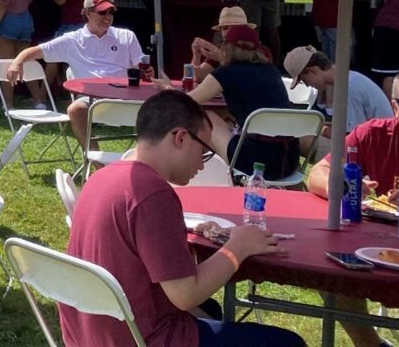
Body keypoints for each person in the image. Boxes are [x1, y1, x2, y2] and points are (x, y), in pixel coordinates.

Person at [60, 88, 305, 347]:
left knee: (210, 310)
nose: (202, 163)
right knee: (289, 343)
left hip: (87, 335)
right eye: (205, 151)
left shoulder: (100, 178)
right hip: (142, 338)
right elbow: (185, 295)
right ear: (180, 138)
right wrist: (238, 247)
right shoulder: (152, 193)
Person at [308, 69, 399, 347]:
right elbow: (318, 173)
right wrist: (342, 187)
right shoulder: (374, 134)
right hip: (372, 246)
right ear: (395, 108)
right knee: (331, 278)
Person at [6, 0, 142, 144]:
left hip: (125, 98)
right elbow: (36, 51)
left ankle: (147, 162)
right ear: (87, 14)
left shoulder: (126, 36)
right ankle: (96, 163)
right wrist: (17, 62)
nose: (108, 17)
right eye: (102, 12)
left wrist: (146, 72)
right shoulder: (72, 40)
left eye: (111, 12)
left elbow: (141, 69)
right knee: (75, 109)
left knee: (163, 107)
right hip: (92, 100)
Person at [185, 24, 297, 179]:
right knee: (229, 124)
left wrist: (168, 87)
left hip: (254, 161)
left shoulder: (226, 73)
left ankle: (204, 175)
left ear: (227, 47)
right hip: (289, 160)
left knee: (207, 118)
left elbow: (187, 100)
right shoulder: (271, 70)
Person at [284, 45, 390, 159]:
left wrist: (323, 130)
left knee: (302, 140)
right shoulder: (349, 78)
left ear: (312, 71)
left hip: (374, 154)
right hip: (375, 145)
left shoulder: (347, 87)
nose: (307, 85)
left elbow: (354, 138)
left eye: (304, 80)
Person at [189, 5, 255, 83]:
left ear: (245, 30)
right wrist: (196, 56)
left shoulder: (257, 49)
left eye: (234, 27)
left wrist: (221, 58)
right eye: (225, 28)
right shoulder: (220, 48)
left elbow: (248, 77)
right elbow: (198, 78)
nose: (229, 32)